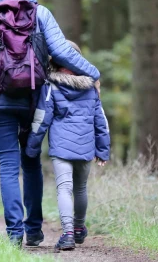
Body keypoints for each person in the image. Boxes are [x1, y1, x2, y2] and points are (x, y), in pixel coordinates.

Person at [0, 0, 100, 247]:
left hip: (0, 100)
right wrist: (93, 73)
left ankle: (14, 234)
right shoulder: (41, 14)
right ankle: (35, 230)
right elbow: (63, 52)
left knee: (7, 165)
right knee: (31, 162)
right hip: (35, 100)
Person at [25, 41, 110, 251]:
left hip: (61, 148)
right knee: (81, 188)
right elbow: (101, 121)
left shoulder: (51, 86)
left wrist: (32, 147)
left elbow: (41, 118)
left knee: (64, 189)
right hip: (86, 146)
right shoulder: (91, 87)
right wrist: (103, 149)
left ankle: (68, 233)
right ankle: (80, 228)